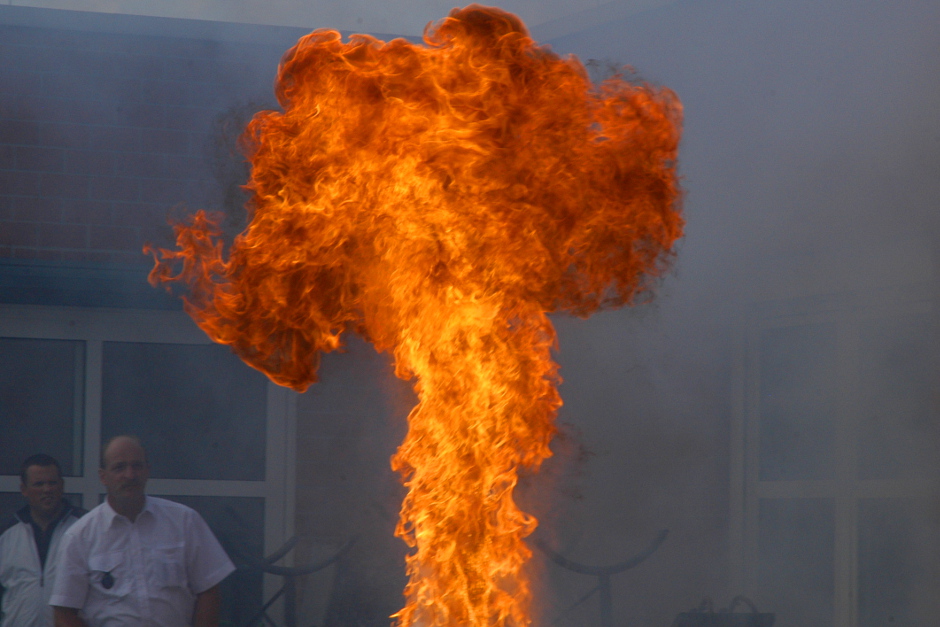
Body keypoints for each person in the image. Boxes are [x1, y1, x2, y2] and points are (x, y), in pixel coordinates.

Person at [50, 435, 235, 627]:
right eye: (119, 467)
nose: (130, 475)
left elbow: (209, 590)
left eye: (137, 466)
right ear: (103, 476)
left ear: (147, 471)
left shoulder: (185, 521)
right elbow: (64, 614)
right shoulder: (79, 536)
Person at [0, 454, 85, 627]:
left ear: (62, 486)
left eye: (52, 483)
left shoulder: (84, 528)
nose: (47, 489)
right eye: (39, 484)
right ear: (24, 489)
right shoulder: (6, 535)